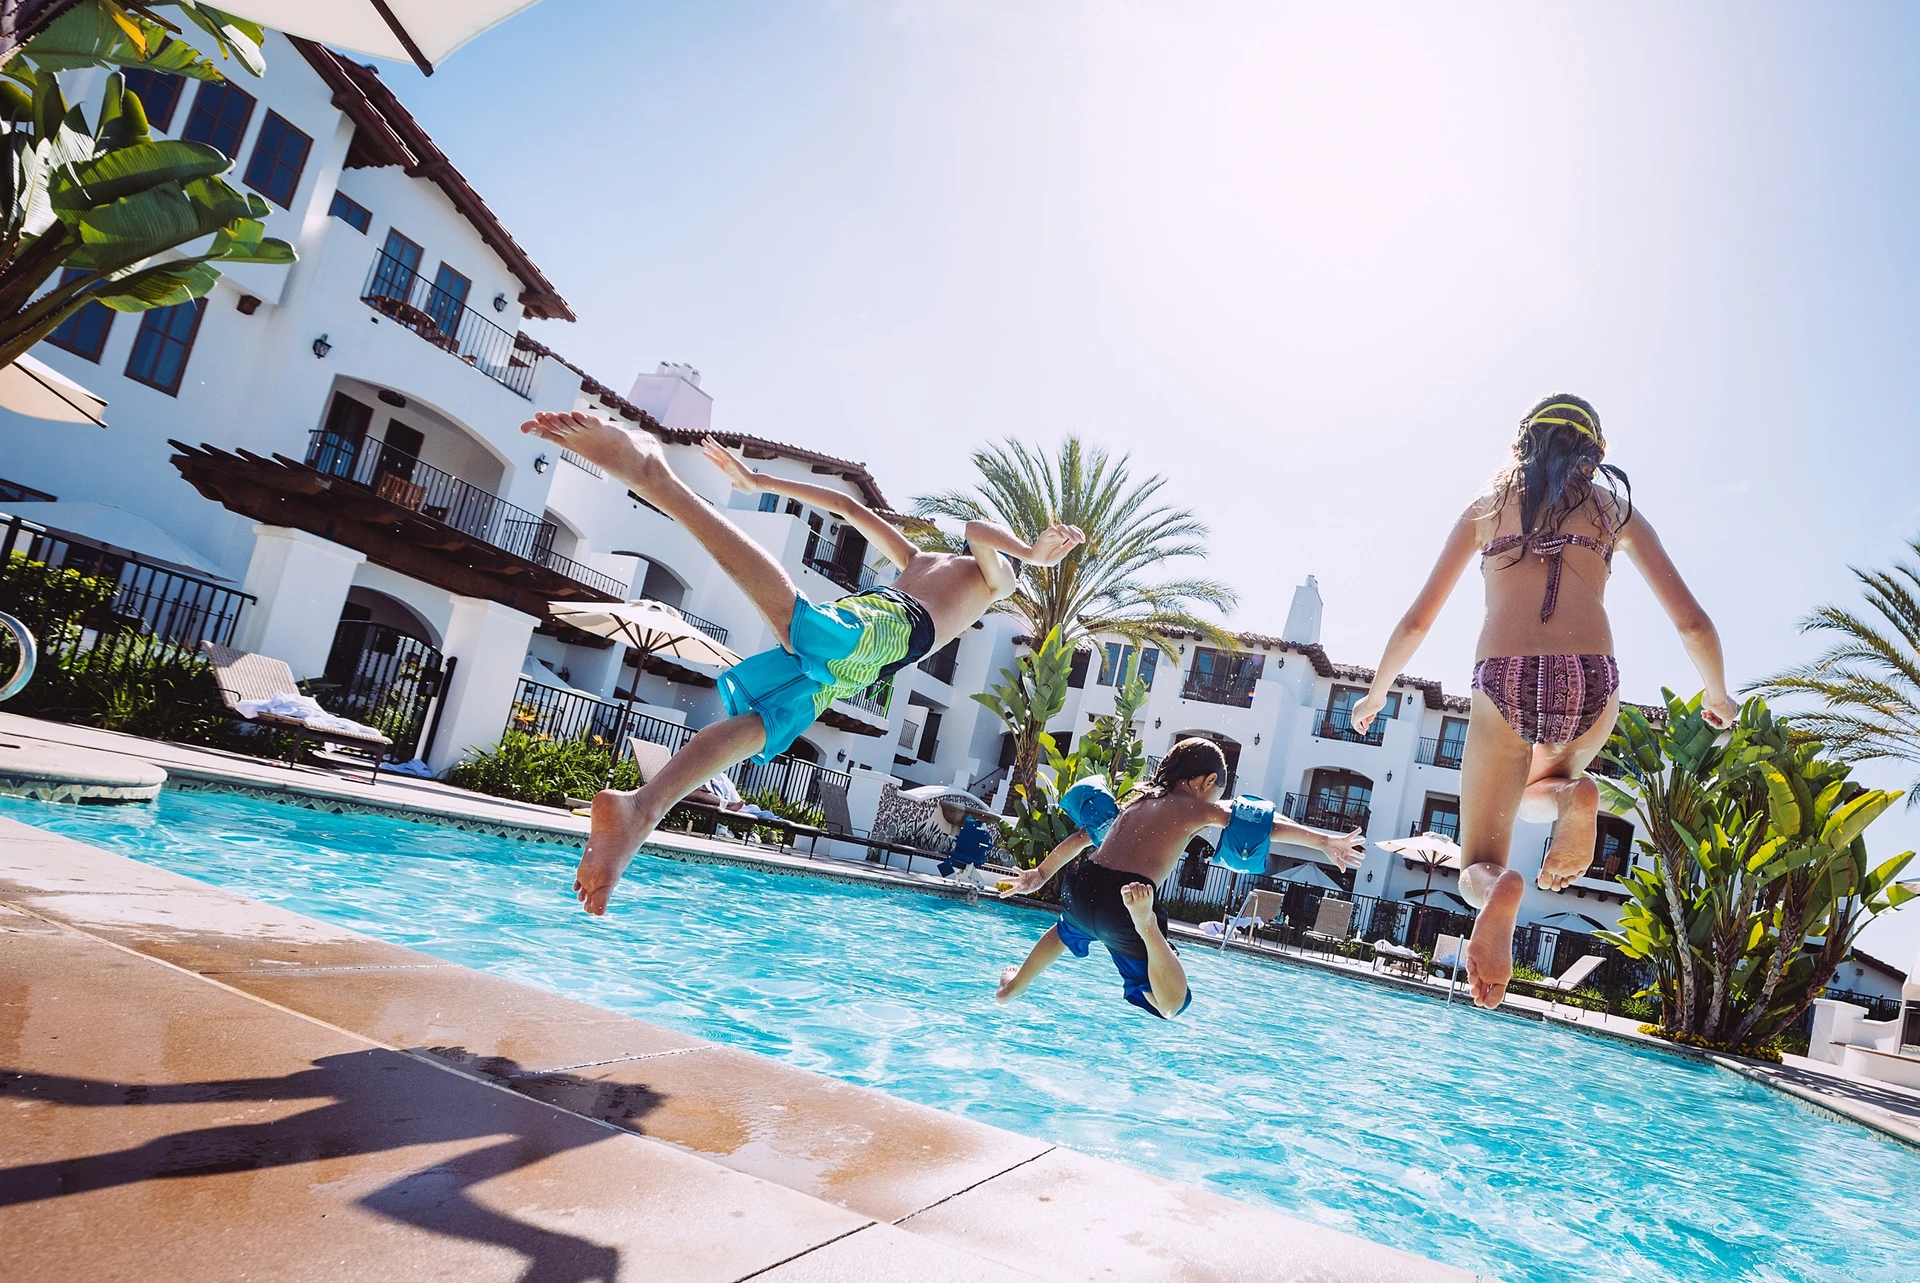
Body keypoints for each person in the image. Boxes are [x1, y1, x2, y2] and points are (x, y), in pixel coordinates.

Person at [518, 410, 1085, 914]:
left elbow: (844, 504)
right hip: (891, 630)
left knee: (763, 724)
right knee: (797, 628)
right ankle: (653, 476)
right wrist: (1032, 554)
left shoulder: (919, 558)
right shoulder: (998, 580)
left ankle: (641, 809)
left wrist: (758, 480)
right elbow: (976, 531)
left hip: (869, 646)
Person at [1348, 394, 1735, 1009]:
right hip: (1593, 679)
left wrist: (1375, 692)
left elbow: (1418, 621)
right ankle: (1574, 794)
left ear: (1523, 443)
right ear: (1595, 454)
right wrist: (1719, 694)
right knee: (1539, 794)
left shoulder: (1487, 505)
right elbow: (1692, 624)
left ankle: (1500, 888)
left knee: (1476, 861)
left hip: (1506, 677)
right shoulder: (1615, 511)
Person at [992, 739, 1364, 1018]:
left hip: (1083, 881)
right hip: (1127, 901)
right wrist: (1324, 841)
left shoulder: (1135, 802)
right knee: (1171, 1004)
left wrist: (1040, 874)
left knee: (1064, 931)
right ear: (1208, 781)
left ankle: (1011, 988)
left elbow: (1081, 838)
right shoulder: (1195, 808)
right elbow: (1259, 823)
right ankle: (1148, 926)